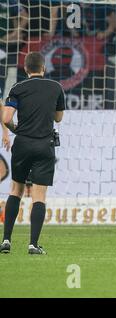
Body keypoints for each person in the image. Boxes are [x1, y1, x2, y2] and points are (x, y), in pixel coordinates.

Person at [0, 51, 65, 255]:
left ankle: (6, 241)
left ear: (26, 69)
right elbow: (59, 118)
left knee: (15, 190)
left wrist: (14, 129)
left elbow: (6, 117)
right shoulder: (56, 88)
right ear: (43, 68)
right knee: (39, 195)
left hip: (23, 144)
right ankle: (33, 244)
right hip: (45, 145)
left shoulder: (18, 88)